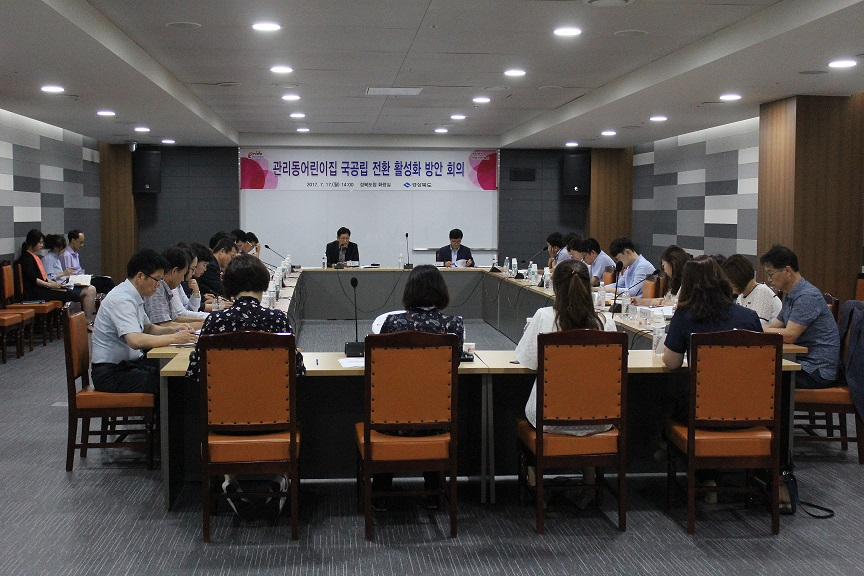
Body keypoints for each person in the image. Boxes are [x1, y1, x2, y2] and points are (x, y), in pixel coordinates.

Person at [187, 254, 301, 520]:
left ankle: (231, 479)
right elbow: (297, 372)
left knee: (230, 408)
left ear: (229, 286)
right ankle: (279, 477)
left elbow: (195, 372)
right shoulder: (277, 321)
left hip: (223, 422)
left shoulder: (215, 322)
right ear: (264, 284)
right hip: (274, 421)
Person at [515, 259, 617, 508]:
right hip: (599, 420)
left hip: (549, 421)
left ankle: (536, 486)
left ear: (555, 287)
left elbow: (528, 361)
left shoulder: (544, 317)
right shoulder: (605, 322)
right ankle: (588, 484)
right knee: (586, 403)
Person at [661, 256, 763, 502]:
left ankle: (703, 476)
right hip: (750, 409)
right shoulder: (748, 317)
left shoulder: (685, 317)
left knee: (669, 405)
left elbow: (671, 363)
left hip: (700, 410)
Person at [375, 265, 465, 508]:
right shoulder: (454, 325)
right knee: (430, 404)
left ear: (410, 291)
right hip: (437, 422)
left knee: (392, 402)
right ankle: (434, 492)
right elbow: (453, 364)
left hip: (391, 422)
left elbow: (381, 369)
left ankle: (381, 493)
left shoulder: (392, 323)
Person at [90, 249, 197, 396]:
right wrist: (174, 338)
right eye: (157, 280)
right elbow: (135, 340)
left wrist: (175, 329)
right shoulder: (121, 299)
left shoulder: (135, 295)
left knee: (181, 373)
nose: (158, 285)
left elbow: (148, 328)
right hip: (110, 372)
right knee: (171, 382)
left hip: (128, 364)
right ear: (140, 276)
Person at [760, 244, 840, 389]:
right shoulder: (790, 295)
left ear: (787, 271)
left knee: (761, 377)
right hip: (802, 363)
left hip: (816, 370)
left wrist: (756, 328)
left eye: (770, 274)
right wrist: (756, 328)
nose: (769, 279)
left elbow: (790, 335)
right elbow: (774, 327)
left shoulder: (807, 296)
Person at [42, 234, 98, 323]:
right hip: (57, 288)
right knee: (90, 290)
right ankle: (87, 321)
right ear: (56, 248)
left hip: (64, 283)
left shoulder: (55, 258)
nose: (65, 250)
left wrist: (69, 276)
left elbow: (58, 276)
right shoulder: (48, 259)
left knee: (91, 288)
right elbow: (48, 278)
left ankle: (88, 319)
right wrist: (63, 273)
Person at [143, 247, 205, 328]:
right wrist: (202, 324)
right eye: (183, 274)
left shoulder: (166, 287)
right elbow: (163, 324)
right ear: (174, 271)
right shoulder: (158, 287)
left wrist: (203, 321)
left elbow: (175, 318)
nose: (182, 279)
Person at [16, 229, 79, 307]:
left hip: (40, 289)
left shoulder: (35, 256)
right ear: (33, 242)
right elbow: (34, 279)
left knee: (69, 292)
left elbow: (43, 277)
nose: (42, 245)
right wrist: (51, 285)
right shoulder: (26, 258)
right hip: (33, 292)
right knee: (71, 295)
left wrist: (56, 284)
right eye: (40, 242)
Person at [721, 254, 782, 326]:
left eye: (729, 281)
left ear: (736, 278)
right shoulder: (741, 297)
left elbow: (757, 326)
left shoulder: (762, 292)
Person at [62, 229, 115, 294]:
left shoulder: (75, 254)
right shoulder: (67, 254)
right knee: (107, 281)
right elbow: (68, 273)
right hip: (76, 281)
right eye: (80, 242)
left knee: (106, 288)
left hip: (82, 278)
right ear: (73, 240)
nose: (82, 245)